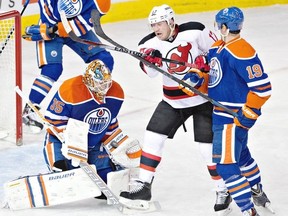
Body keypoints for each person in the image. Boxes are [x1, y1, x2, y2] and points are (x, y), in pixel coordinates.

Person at [119, 4, 232, 215]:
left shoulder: (195, 30)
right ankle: (144, 187)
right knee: (153, 136)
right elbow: (151, 74)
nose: (156, 28)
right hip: (172, 102)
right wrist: (150, 63)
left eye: (159, 23)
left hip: (202, 101)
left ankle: (222, 190)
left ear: (171, 21)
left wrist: (205, 63)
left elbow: (218, 51)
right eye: (153, 25)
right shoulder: (148, 44)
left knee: (206, 149)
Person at [181, 7, 272, 216]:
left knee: (225, 167)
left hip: (231, 118)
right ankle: (257, 191)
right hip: (221, 114)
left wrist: (250, 111)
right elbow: (215, 80)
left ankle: (248, 210)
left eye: (218, 24)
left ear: (223, 26)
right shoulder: (218, 47)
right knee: (241, 157)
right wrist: (197, 81)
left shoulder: (242, 51)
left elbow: (263, 87)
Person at [42, 59, 141, 189]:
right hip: (63, 141)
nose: (104, 88)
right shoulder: (70, 88)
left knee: (109, 182)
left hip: (94, 144)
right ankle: (58, 168)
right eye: (100, 84)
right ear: (88, 80)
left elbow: (109, 123)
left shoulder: (116, 92)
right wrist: (73, 141)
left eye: (106, 83)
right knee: (63, 174)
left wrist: (118, 144)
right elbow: (52, 119)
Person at [22, 0, 114, 133]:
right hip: (50, 25)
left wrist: (64, 28)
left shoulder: (102, 2)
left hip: (74, 26)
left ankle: (89, 104)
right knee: (52, 69)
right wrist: (52, 29)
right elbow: (47, 9)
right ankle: (29, 111)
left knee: (104, 60)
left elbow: (91, 17)